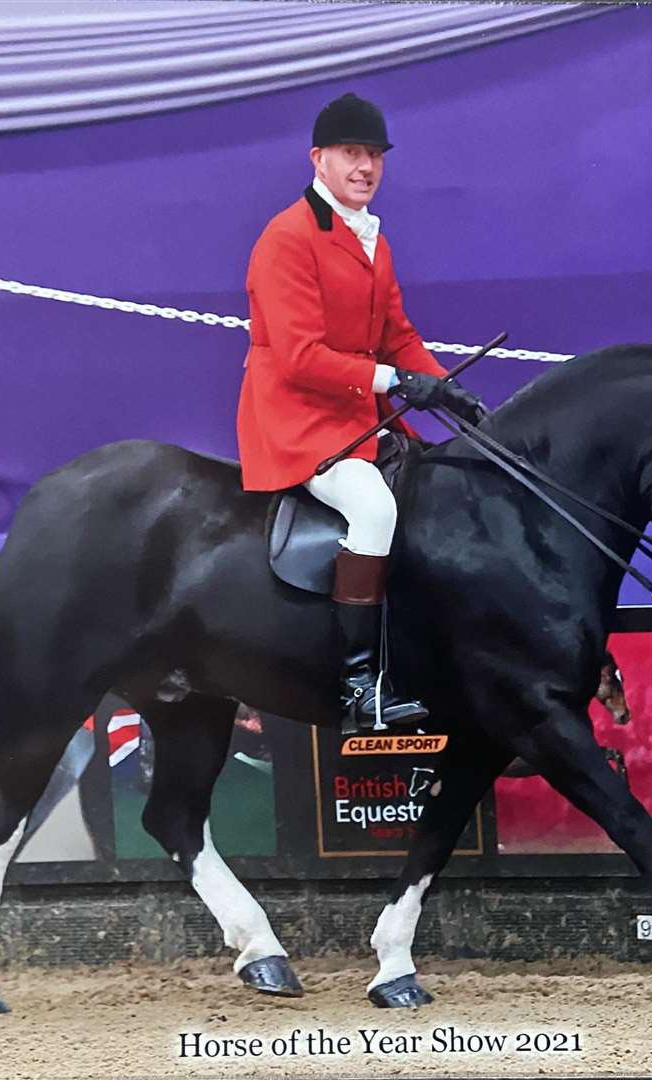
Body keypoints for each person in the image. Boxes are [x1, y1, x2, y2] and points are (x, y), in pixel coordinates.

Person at [236, 92, 486, 733]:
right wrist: (396, 380)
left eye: (374, 155)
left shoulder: (374, 240)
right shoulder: (286, 237)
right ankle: (356, 687)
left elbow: (398, 333)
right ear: (318, 158)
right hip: (298, 418)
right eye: (352, 153)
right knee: (373, 508)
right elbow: (299, 358)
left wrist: (443, 385)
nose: (365, 166)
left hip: (357, 413)